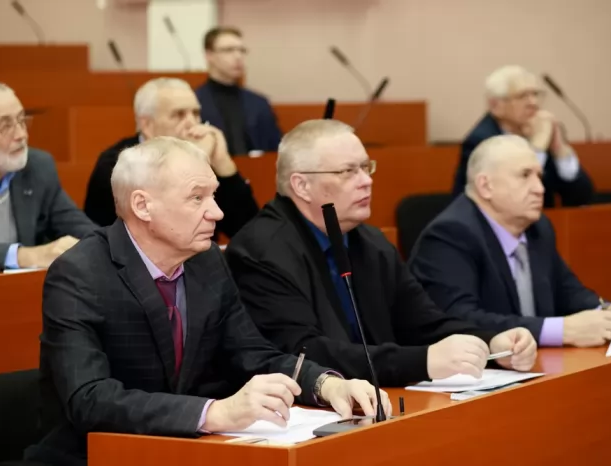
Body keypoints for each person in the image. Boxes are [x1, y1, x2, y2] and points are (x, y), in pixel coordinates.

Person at [25, 137, 391, 466]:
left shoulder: (207, 260)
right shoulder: (80, 273)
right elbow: (90, 399)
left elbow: (251, 353)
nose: (217, 212)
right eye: (197, 197)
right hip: (93, 457)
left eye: (214, 195)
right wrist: (215, 413)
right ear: (143, 205)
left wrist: (326, 384)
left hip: (186, 451)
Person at [224, 120, 537, 387]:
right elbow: (303, 353)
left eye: (366, 167)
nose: (367, 181)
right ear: (302, 185)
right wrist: (423, 361)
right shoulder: (261, 250)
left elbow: (424, 324)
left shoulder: (370, 242)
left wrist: (491, 343)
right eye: (348, 171)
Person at [411, 135, 611, 347]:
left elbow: (568, 291)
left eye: (539, 176)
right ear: (485, 186)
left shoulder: (538, 227)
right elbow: (459, 320)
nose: (540, 189)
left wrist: (607, 310)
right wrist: (561, 330)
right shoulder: (450, 235)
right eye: (524, 175)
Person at [0, 81, 96, 271]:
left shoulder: (38, 167)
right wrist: (23, 255)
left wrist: (107, 245)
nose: (21, 134)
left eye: (21, 120)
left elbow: (78, 226)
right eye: (5, 126)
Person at [84, 78, 258, 237]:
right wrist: (191, 164)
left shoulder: (202, 151)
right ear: (147, 125)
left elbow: (249, 233)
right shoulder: (116, 166)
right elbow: (164, 233)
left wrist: (224, 165)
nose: (192, 123)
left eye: (196, 113)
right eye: (179, 115)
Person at [451, 65, 593, 208]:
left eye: (535, 94)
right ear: (495, 105)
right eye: (522, 96)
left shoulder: (539, 130)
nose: (533, 103)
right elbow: (507, 199)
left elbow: (581, 198)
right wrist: (537, 147)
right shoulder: (480, 141)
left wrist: (559, 149)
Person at [195, 26, 282, 156]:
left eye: (242, 50)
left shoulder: (259, 103)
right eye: (229, 50)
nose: (238, 56)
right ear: (209, 55)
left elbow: (276, 150)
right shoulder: (195, 102)